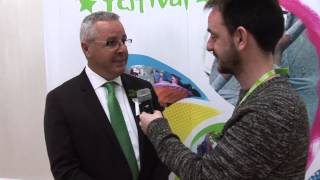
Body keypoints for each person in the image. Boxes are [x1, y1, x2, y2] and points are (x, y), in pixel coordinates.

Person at [139, 0, 309, 179]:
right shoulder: (266, 98)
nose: (209, 46)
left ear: (240, 38)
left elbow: (205, 176)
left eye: (214, 36)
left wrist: (157, 129)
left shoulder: (271, 108)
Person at [44, 11, 169, 180]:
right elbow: (65, 170)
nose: (123, 49)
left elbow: (161, 148)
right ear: (86, 48)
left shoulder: (142, 88)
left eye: (124, 41)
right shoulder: (60, 101)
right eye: (111, 43)